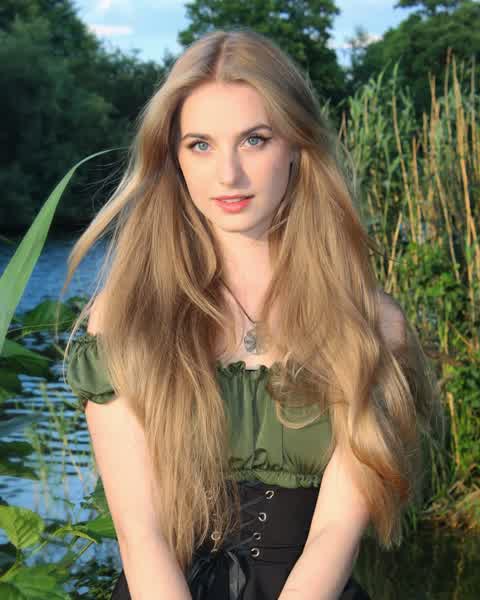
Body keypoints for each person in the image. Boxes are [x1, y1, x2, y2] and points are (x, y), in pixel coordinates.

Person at [62, 28, 443, 600]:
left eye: (254, 140)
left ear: (296, 146)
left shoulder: (369, 325)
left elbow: (335, 535)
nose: (229, 175)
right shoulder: (124, 317)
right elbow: (142, 538)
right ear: (173, 158)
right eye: (201, 145)